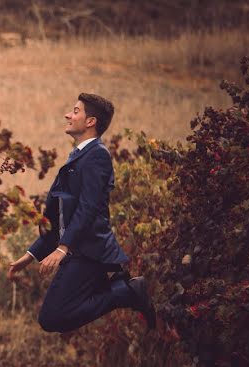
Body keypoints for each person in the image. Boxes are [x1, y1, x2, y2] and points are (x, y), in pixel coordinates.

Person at [8, 93, 156, 333]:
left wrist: (61, 249)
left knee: (52, 318)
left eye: (75, 111)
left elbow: (89, 207)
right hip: (78, 251)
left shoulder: (97, 155)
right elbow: (61, 217)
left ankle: (125, 292)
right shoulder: (78, 155)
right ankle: (119, 288)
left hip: (90, 252)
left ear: (91, 121)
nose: (68, 115)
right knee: (52, 318)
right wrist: (31, 256)